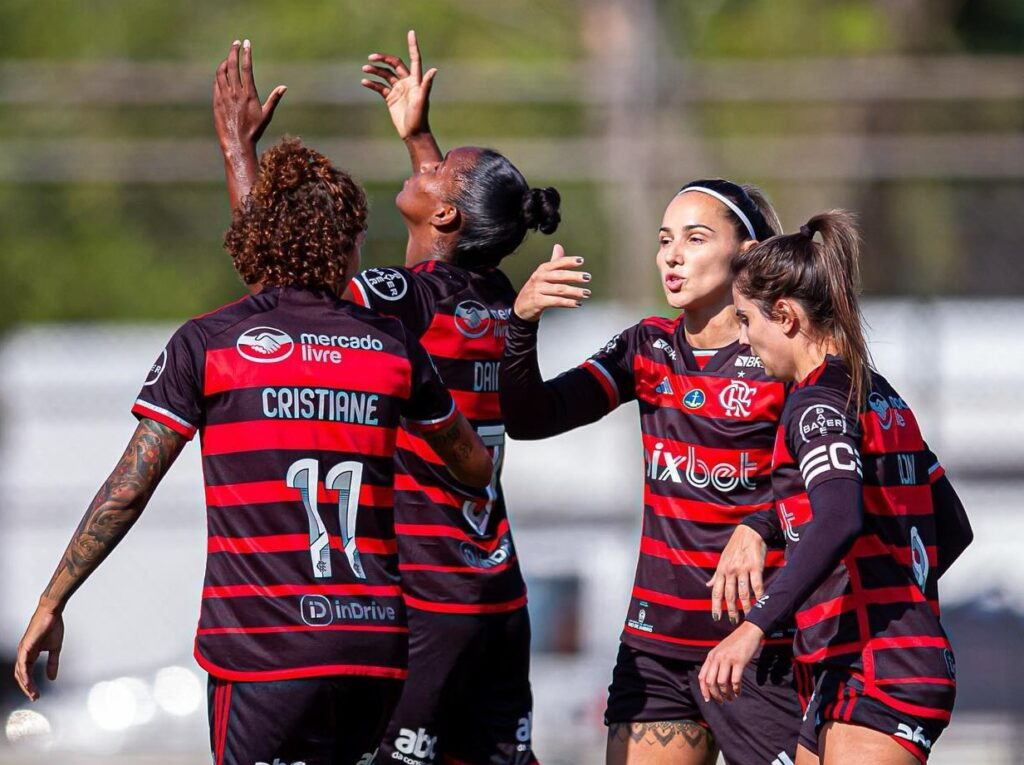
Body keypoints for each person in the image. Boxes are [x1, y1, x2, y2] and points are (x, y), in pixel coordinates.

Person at [13, 131, 493, 765]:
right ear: (347, 245)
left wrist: (53, 600)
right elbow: (474, 467)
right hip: (371, 648)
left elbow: (129, 488)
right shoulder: (392, 345)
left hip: (264, 652)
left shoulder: (211, 342)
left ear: (255, 241)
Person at [212, 33, 557, 765]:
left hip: (430, 597)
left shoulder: (394, 300)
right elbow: (444, 243)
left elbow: (283, 292)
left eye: (441, 170)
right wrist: (419, 136)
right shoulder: (492, 294)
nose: (428, 166)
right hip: (496, 588)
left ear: (446, 218)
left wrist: (239, 153)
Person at [501, 180, 807, 765]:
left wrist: (761, 526)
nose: (672, 254)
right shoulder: (648, 347)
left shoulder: (784, 353)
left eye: (695, 238)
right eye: (665, 239)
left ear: (745, 252)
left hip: (759, 646)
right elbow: (532, 419)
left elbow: (824, 486)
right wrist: (523, 321)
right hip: (657, 648)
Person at [697, 211, 973, 764]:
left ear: (787, 316)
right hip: (855, 667)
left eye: (748, 320)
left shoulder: (816, 402)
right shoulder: (878, 393)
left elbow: (839, 516)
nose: (745, 341)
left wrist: (754, 626)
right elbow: (952, 526)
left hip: (879, 671)